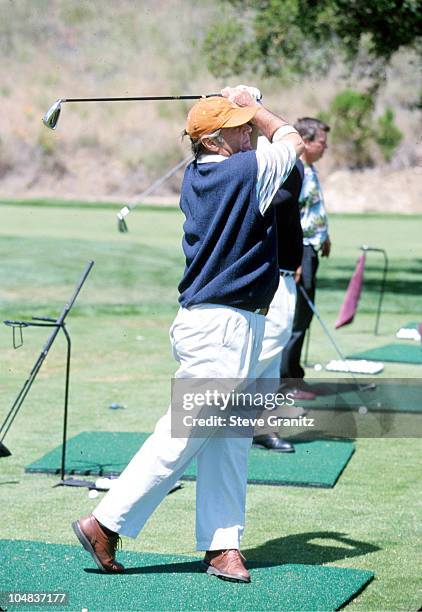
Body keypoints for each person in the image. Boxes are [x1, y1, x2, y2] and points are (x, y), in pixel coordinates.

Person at [71, 85, 304, 584]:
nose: (249, 133)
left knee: (228, 438)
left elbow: (266, 146)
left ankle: (223, 545)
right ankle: (105, 521)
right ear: (218, 139)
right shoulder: (243, 171)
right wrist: (257, 104)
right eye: (240, 127)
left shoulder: (201, 172)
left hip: (225, 322)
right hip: (222, 326)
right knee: (184, 433)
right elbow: (290, 138)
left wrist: (242, 102)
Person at [252, 157, 304, 452]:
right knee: (268, 347)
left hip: (284, 276)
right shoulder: (277, 185)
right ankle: (217, 410)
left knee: (271, 360)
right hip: (274, 279)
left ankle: (263, 426)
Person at [280, 117, 331, 400]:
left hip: (312, 247)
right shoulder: (295, 170)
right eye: (321, 142)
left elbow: (312, 210)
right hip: (301, 252)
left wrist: (326, 236)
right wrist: (296, 258)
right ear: (306, 141)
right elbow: (291, 219)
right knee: (296, 317)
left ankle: (295, 375)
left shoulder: (310, 170)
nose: (326, 148)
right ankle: (286, 382)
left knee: (304, 316)